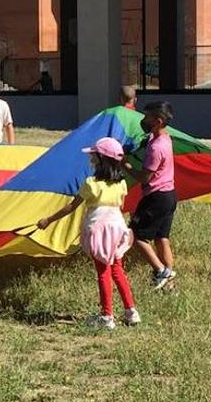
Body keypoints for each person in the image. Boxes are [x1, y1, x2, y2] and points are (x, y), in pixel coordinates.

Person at [37, 137, 139, 330]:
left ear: (101, 160)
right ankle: (131, 311)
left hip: (99, 230)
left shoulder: (91, 183)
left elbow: (72, 207)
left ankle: (106, 316)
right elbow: (122, 206)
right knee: (117, 270)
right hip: (117, 228)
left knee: (103, 273)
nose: (91, 160)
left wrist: (48, 220)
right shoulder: (122, 184)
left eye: (93, 157)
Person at [126, 101, 178, 289]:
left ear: (157, 121)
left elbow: (144, 178)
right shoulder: (165, 138)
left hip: (155, 198)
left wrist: (126, 165)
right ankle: (169, 283)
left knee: (137, 236)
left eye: (147, 117)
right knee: (161, 238)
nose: (143, 120)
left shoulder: (156, 148)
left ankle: (161, 271)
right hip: (169, 195)